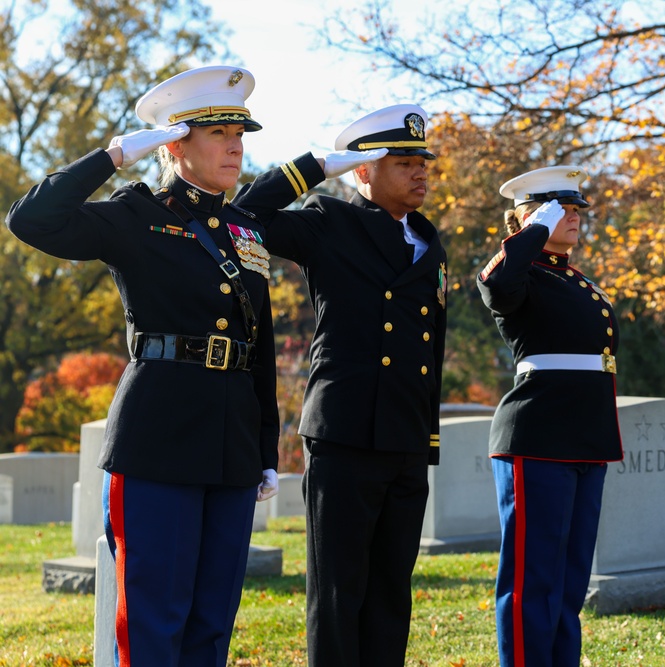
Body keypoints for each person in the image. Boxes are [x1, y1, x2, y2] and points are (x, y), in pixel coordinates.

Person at [4, 65, 377, 667]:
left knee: (211, 622)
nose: (236, 145)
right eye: (218, 133)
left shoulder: (241, 230)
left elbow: (256, 343)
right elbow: (31, 220)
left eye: (240, 133)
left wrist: (263, 450)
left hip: (229, 443)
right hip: (158, 435)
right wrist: (116, 154)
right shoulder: (136, 216)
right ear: (175, 145)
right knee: (156, 618)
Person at [233, 103, 447, 667]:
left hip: (404, 434)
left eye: (422, 161)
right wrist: (313, 166)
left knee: (390, 592)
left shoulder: (428, 240)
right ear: (364, 171)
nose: (420, 171)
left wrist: (428, 436)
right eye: (402, 161)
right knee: (337, 592)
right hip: (345, 431)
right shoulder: (328, 220)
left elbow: (433, 348)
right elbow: (243, 214)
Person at [477, 166, 624, 667]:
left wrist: (542, 227)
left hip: (585, 436)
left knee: (568, 581)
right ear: (528, 217)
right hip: (537, 436)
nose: (575, 217)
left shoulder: (572, 278)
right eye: (560, 209)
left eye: (577, 208)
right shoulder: (520, 272)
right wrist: (532, 230)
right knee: (531, 580)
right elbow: (495, 282)